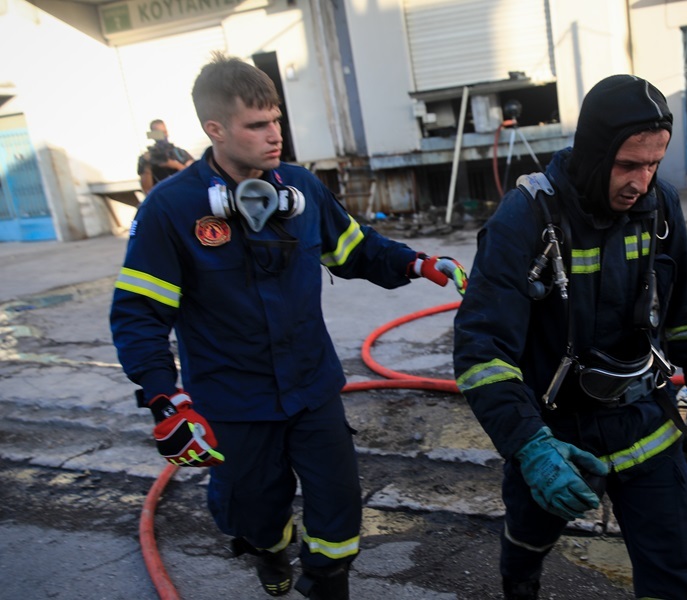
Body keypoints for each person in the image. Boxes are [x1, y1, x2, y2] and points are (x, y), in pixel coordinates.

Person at [110, 53, 468, 600]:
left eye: (275, 119)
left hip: (312, 388)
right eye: (257, 125)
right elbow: (139, 313)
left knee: (340, 507)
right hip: (233, 401)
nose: (274, 135)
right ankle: (269, 548)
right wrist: (164, 400)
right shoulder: (170, 210)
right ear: (215, 129)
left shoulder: (299, 190)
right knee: (251, 511)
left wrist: (415, 263)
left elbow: (356, 249)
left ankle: (326, 583)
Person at [453, 74, 687, 600]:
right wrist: (531, 448)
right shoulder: (525, 220)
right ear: (592, 152)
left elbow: (684, 309)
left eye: (654, 164)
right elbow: (481, 352)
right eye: (629, 164)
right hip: (556, 434)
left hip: (648, 424)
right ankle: (520, 582)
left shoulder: (662, 209)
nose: (642, 182)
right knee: (526, 544)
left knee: (676, 578)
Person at [137, 118, 194, 194]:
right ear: (152, 135)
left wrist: (175, 165)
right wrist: (147, 165)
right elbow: (147, 190)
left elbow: (194, 176)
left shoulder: (180, 153)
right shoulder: (147, 158)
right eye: (158, 133)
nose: (162, 136)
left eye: (164, 132)